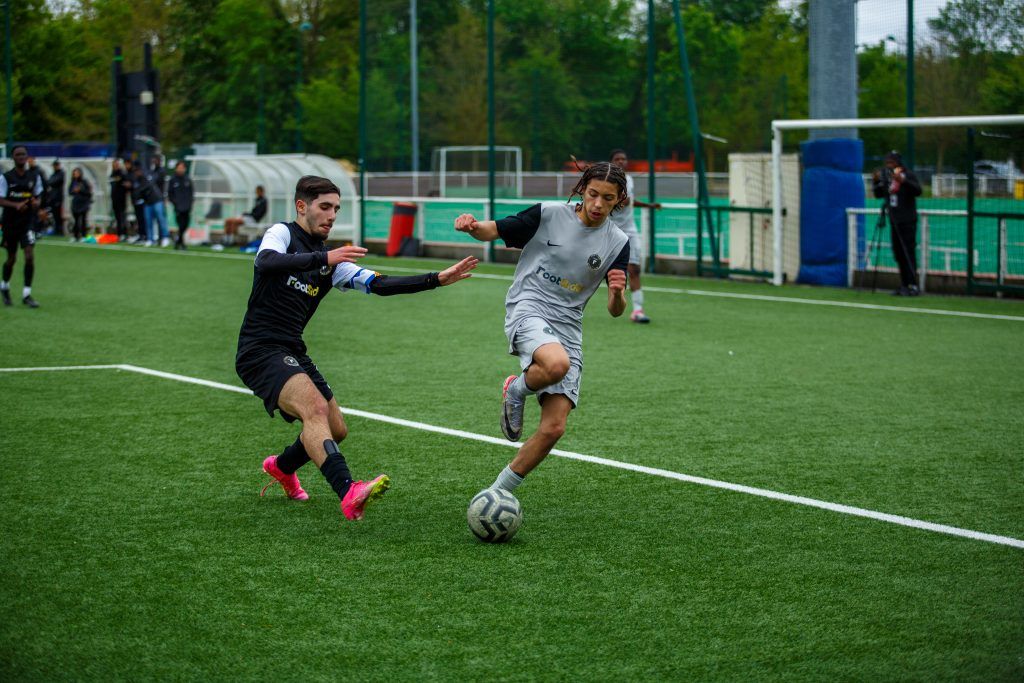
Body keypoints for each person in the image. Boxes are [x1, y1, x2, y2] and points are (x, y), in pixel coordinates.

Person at [238, 174, 478, 520]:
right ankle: (348, 490)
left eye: (336, 208)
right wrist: (323, 259)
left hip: (292, 349)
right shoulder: (283, 234)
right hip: (258, 349)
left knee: (336, 429)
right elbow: (265, 262)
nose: (332, 215)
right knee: (315, 411)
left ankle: (282, 467)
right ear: (301, 206)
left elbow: (379, 284)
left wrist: (435, 279)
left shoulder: (330, 260)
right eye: (324, 207)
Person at [453, 161, 629, 496]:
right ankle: (517, 390)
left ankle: (497, 492)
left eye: (608, 198)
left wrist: (618, 293)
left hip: (569, 327)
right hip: (529, 307)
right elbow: (494, 229)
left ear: (619, 199)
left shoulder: (618, 242)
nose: (597, 205)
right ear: (581, 189)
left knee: (553, 428)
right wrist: (472, 225)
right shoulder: (548, 214)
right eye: (593, 194)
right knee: (555, 364)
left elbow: (616, 311)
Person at [609, 149, 661, 323]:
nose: (621, 162)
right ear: (611, 162)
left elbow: (628, 201)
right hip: (608, 230)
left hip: (629, 230)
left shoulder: (629, 179)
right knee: (592, 269)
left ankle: (638, 310)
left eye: (624, 159)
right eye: (617, 159)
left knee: (634, 269)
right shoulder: (607, 180)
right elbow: (620, 201)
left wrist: (649, 206)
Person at [872, 150, 922, 296]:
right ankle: (904, 284)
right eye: (887, 162)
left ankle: (913, 285)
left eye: (891, 162)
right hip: (894, 221)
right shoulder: (888, 177)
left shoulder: (908, 175)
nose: (889, 165)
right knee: (899, 254)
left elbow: (918, 191)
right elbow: (878, 194)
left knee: (908, 253)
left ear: (898, 163)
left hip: (908, 221)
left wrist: (903, 181)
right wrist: (876, 181)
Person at [0, 145, 45, 307]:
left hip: (27, 223)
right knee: (11, 259)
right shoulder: (6, 178)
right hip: (10, 224)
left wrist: (36, 204)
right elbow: (0, 199)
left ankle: (27, 294)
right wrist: (15, 205)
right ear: (13, 157)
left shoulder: (34, 176)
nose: (21, 157)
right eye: (18, 154)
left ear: (27, 157)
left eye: (23, 154)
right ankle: (4, 286)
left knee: (29, 256)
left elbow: (38, 197)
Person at [167, 160, 193, 250]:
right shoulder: (173, 180)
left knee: (185, 225)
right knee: (180, 224)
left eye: (182, 168)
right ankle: (181, 243)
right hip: (178, 207)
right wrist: (175, 203)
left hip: (187, 207)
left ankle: (178, 241)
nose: (180, 169)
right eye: (179, 168)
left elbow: (191, 193)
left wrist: (190, 204)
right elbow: (170, 193)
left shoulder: (187, 179)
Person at [144, 158, 170, 247]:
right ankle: (150, 239)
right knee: (148, 221)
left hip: (158, 200)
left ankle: (165, 237)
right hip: (148, 201)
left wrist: (165, 198)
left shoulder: (162, 172)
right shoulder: (149, 172)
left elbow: (164, 185)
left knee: (161, 219)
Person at [126, 159, 150, 244]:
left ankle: (145, 236)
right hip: (136, 202)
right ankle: (141, 235)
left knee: (144, 220)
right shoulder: (135, 179)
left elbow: (143, 189)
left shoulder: (143, 179)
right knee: (139, 220)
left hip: (143, 203)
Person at [68, 167, 93, 241]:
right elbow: (69, 192)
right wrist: (74, 191)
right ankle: (75, 236)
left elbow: (88, 192)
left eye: (77, 173)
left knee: (83, 220)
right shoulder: (73, 182)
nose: (75, 175)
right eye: (74, 173)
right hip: (76, 203)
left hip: (83, 203)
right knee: (76, 220)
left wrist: (80, 190)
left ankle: (83, 236)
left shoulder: (84, 182)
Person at [109, 158, 128, 241]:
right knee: (117, 217)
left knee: (122, 216)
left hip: (121, 198)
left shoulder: (122, 173)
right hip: (114, 198)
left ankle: (123, 233)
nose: (115, 166)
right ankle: (119, 234)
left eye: (116, 164)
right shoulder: (112, 173)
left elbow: (124, 183)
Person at [46, 159, 66, 236]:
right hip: (53, 198)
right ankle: (56, 229)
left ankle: (60, 230)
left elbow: (52, 182)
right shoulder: (53, 174)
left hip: (58, 198)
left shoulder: (61, 174)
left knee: (58, 215)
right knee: (54, 215)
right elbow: (49, 182)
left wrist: (51, 182)